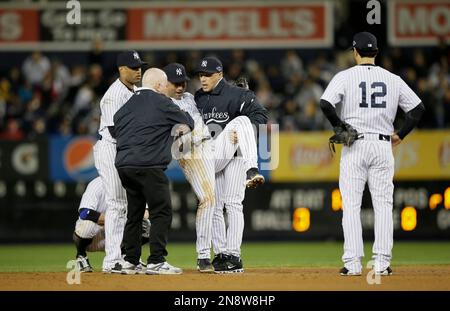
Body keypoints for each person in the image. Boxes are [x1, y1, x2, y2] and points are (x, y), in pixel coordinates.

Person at [320, 32, 425, 276]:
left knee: (351, 206)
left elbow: (326, 103)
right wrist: (401, 134)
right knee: (383, 205)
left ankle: (353, 263)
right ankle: (381, 263)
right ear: (376, 53)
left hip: (354, 144)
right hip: (382, 145)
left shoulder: (345, 76)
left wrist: (340, 126)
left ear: (355, 51)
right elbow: (418, 109)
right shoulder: (393, 78)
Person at [112, 68, 194, 275]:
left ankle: (130, 260)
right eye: (165, 84)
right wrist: (179, 128)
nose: (167, 88)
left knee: (135, 213)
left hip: (124, 166)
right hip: (149, 165)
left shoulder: (125, 106)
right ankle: (156, 260)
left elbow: (116, 125)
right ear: (158, 85)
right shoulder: (162, 102)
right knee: (162, 210)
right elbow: (188, 122)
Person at [194, 56, 268, 273]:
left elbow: (261, 117)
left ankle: (231, 256)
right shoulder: (198, 97)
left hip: (233, 154)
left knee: (233, 204)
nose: (203, 78)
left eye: (207, 74)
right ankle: (220, 251)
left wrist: (244, 130)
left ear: (220, 74)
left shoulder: (237, 94)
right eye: (200, 74)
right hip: (211, 155)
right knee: (214, 206)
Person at [93, 50, 147, 273]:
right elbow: (117, 131)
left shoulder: (135, 90)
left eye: (140, 67)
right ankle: (112, 260)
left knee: (128, 205)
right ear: (121, 69)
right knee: (116, 203)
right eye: (133, 67)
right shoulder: (114, 95)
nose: (138, 71)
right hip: (111, 148)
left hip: (126, 151)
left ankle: (127, 257)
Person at [162, 63, 216, 273]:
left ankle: (224, 252)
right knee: (208, 199)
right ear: (165, 84)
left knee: (219, 200)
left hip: (210, 143)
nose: (179, 87)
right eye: (175, 83)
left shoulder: (189, 98)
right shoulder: (162, 104)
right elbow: (176, 145)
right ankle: (203, 256)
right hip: (189, 150)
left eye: (182, 82)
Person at [73, 177, 151, 273]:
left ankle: (126, 256)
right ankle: (81, 256)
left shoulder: (132, 184)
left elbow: (145, 213)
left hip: (119, 237)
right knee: (86, 226)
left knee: (146, 225)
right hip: (95, 238)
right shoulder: (97, 184)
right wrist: (113, 220)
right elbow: (85, 213)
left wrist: (126, 220)